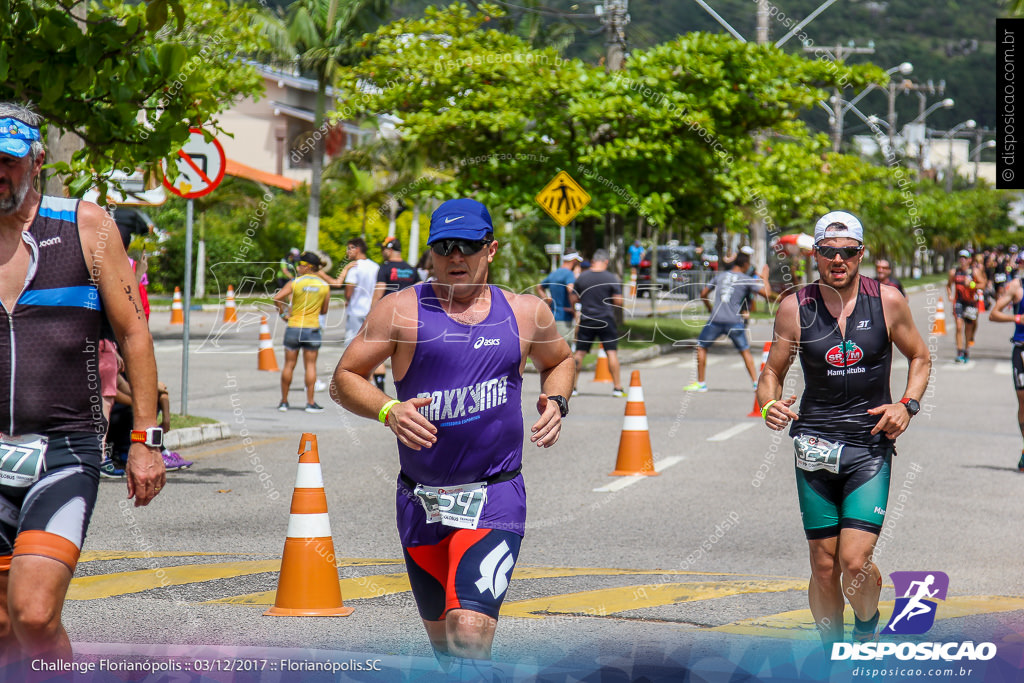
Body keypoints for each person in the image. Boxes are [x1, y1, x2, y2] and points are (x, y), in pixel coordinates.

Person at [331, 197, 574, 670]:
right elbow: (344, 378)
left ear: (491, 249)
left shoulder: (525, 312)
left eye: (467, 245)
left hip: (495, 495)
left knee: (469, 634)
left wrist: (557, 400)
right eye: (444, 247)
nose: (455, 256)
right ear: (430, 253)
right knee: (447, 652)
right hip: (421, 501)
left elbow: (560, 359)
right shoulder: (400, 310)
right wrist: (389, 410)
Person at [0, 102, 165, 667]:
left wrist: (146, 439)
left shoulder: (84, 226)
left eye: (9, 160)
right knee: (3, 624)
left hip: (64, 451)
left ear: (37, 161)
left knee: (35, 614)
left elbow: (134, 336)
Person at [757, 211, 930, 647]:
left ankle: (867, 625)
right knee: (822, 564)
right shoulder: (796, 306)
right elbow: (771, 373)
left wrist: (906, 406)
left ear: (860, 254)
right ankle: (831, 654)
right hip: (814, 444)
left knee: (854, 561)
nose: (839, 259)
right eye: (829, 251)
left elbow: (921, 358)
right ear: (815, 254)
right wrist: (769, 406)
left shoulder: (887, 300)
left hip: (869, 445)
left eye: (848, 251)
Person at [685, 251, 768, 392]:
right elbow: (766, 294)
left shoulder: (720, 276)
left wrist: (709, 307)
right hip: (734, 321)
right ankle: (755, 382)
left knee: (701, 347)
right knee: (744, 350)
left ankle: (701, 383)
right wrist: (764, 278)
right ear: (746, 265)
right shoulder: (745, 279)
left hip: (716, 319)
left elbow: (703, 293)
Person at [273, 252, 330, 413]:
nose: (297, 267)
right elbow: (324, 311)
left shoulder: (295, 282)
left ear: (308, 266)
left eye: (300, 264)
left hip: (294, 327)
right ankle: (310, 403)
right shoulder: (324, 286)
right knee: (310, 366)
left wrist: (284, 315)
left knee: (289, 365)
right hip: (312, 329)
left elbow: (277, 298)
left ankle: (284, 402)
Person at [571, 249, 625, 397]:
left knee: (580, 353)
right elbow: (618, 301)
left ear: (594, 261)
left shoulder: (582, 277)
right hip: (606, 319)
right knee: (611, 352)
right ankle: (617, 388)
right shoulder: (611, 277)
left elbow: (573, 299)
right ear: (606, 262)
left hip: (587, 319)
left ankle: (573, 387)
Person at [369, 236, 420, 391]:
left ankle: (381, 391)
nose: (382, 252)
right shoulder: (411, 269)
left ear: (389, 249)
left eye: (382, 248)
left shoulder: (385, 268)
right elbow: (418, 291)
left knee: (378, 355)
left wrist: (371, 315)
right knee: (406, 356)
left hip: (388, 317)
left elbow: (378, 294)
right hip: (409, 318)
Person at [988, 274, 1024, 471]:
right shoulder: (1017, 288)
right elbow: (994, 314)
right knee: (1023, 401)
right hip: (1021, 350)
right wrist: (1017, 318)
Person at [947, 249, 987, 363]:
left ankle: (966, 350)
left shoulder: (974, 272)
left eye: (965, 257)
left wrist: (972, 284)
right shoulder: (954, 272)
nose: (962, 260)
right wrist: (950, 295)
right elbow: (948, 285)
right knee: (959, 326)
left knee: (968, 328)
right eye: (961, 257)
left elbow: (983, 284)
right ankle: (959, 351)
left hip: (970, 302)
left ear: (969, 260)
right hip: (958, 302)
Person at [536, 252, 581, 346]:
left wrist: (547, 300)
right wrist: (573, 308)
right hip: (565, 316)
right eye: (577, 262)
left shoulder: (554, 273)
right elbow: (570, 290)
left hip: (554, 316)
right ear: (573, 261)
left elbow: (539, 287)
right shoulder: (569, 274)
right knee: (565, 350)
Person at [340, 238, 379, 345]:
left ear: (357, 249)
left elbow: (348, 293)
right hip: (371, 310)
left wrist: (347, 300)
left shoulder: (354, 267)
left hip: (355, 311)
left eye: (349, 248)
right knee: (368, 345)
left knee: (352, 345)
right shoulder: (375, 266)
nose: (347, 252)